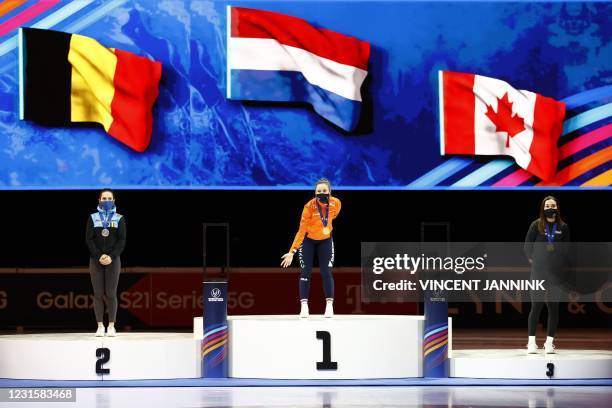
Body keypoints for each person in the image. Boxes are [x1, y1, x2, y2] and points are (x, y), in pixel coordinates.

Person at [281, 178, 341, 318]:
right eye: (318, 191)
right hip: (308, 241)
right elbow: (301, 231)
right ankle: (304, 306)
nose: (321, 193)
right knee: (305, 272)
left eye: (324, 191)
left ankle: (329, 306)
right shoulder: (309, 207)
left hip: (326, 240)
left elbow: (334, 216)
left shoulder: (336, 203)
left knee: (326, 272)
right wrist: (292, 251)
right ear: (314, 193)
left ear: (329, 192)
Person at [524, 195, 570, 354]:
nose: (550, 208)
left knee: (553, 308)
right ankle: (531, 343)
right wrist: (535, 261)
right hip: (538, 273)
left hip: (555, 274)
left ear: (557, 207)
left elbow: (566, 250)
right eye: (547, 205)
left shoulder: (563, 227)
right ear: (543, 208)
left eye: (553, 205)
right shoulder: (536, 225)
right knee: (536, 307)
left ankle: (549, 343)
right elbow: (527, 246)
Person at [85, 189, 126, 337]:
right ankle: (100, 326)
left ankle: (112, 325)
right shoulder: (93, 218)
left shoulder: (119, 218)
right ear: (99, 200)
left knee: (111, 293)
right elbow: (89, 239)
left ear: (114, 201)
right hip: (95, 260)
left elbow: (122, 241)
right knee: (97, 293)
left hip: (113, 261)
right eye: (104, 198)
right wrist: (98, 255)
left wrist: (111, 256)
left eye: (109, 198)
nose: (107, 200)